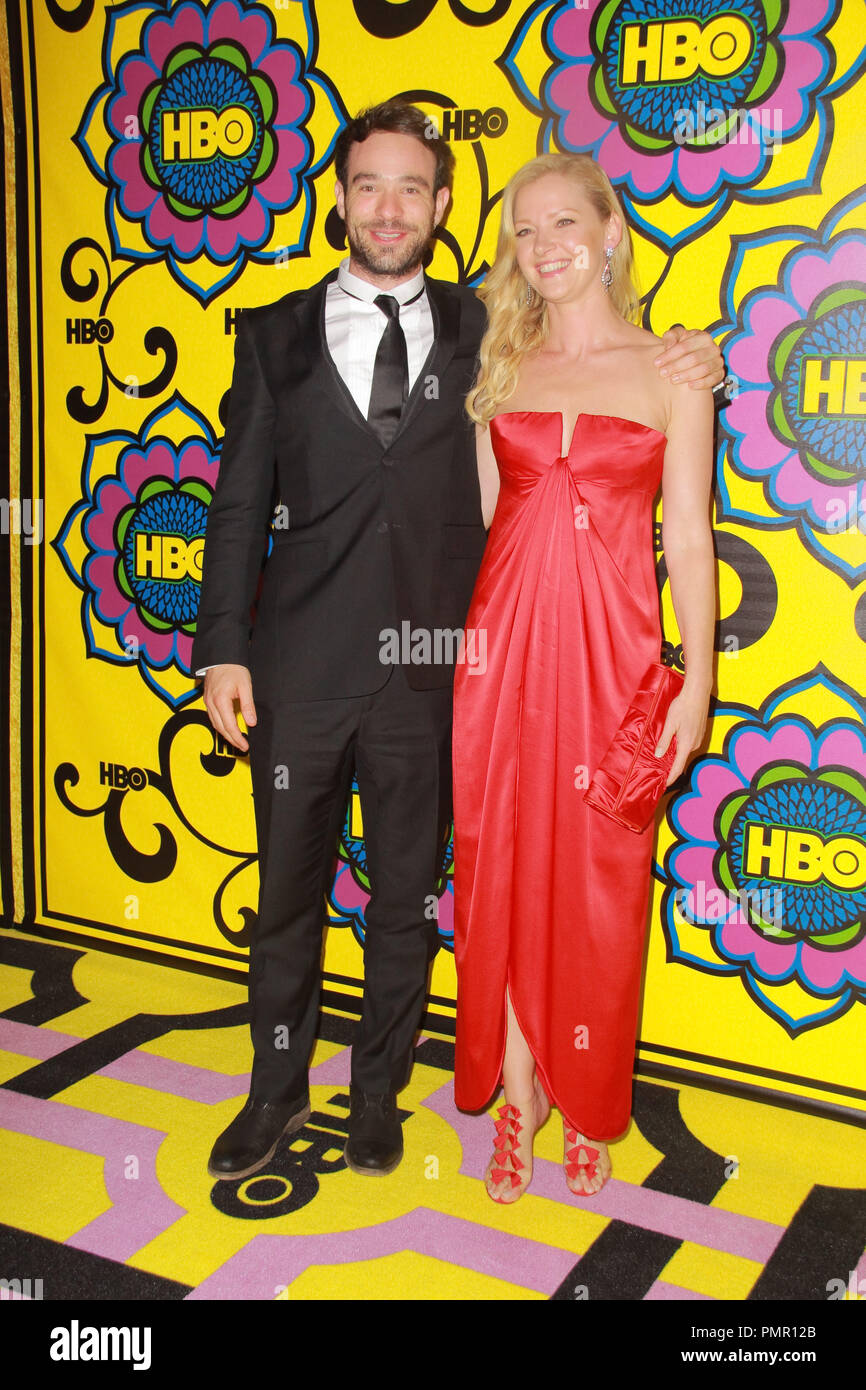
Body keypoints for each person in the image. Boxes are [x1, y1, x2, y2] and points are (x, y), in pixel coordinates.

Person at [193, 102, 723, 1184]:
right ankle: (272, 1091)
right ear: (338, 197)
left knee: (408, 900)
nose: (387, 207)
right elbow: (238, 503)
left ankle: (379, 1097)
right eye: (366, 185)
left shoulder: (484, 330)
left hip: (439, 670)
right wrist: (221, 649)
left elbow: (653, 485)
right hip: (306, 667)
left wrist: (691, 357)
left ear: (439, 209)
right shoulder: (275, 334)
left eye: (411, 189)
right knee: (288, 900)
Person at [452, 152, 715, 1203]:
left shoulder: (672, 369)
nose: (545, 242)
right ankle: (518, 1095)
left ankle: (586, 1093)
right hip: (500, 654)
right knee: (502, 870)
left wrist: (693, 680)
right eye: (523, 229)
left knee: (600, 884)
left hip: (614, 660)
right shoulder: (500, 367)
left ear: (610, 232)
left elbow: (687, 539)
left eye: (565, 221)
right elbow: (488, 521)